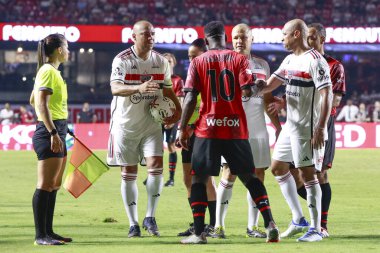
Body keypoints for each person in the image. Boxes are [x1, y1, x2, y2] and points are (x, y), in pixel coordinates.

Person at [178, 21, 279, 244]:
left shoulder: (198, 61)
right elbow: (246, 90)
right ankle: (270, 223)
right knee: (250, 177)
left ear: (206, 41)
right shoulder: (240, 59)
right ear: (225, 39)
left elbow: (189, 97)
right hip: (235, 127)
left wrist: (182, 128)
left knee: (199, 178)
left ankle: (198, 233)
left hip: (208, 128)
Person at [258, 19, 333, 242]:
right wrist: (252, 85)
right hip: (291, 125)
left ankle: (316, 229)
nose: (282, 39)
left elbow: (326, 94)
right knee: (278, 167)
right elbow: (270, 85)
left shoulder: (315, 61)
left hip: (308, 127)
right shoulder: (290, 59)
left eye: (285, 34)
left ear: (296, 34)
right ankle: (299, 219)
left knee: (308, 175)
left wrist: (320, 127)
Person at [107, 20, 181, 238]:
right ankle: (133, 223)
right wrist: (138, 87)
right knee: (129, 172)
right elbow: (114, 88)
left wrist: (177, 112)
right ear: (133, 37)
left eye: (152, 35)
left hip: (151, 125)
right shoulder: (122, 60)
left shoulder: (160, 61)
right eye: (145, 34)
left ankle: (150, 216)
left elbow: (168, 91)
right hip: (126, 126)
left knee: (156, 165)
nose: (150, 38)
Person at [211, 23, 282, 239]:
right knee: (229, 173)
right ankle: (218, 226)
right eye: (235, 37)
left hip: (258, 128)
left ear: (251, 39)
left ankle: (253, 227)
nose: (239, 41)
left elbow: (267, 99)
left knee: (258, 175)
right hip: (232, 128)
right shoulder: (224, 62)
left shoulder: (262, 65)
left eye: (243, 37)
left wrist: (278, 126)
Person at [29, 33, 71, 245]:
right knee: (44, 184)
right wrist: (53, 132)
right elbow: (40, 104)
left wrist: (61, 128)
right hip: (50, 132)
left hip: (58, 128)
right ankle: (40, 236)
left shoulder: (51, 72)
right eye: (67, 47)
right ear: (59, 50)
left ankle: (49, 232)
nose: (69, 51)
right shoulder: (47, 70)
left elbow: (33, 99)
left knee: (54, 184)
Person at [177, 38, 218, 237]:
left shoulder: (210, 76)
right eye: (189, 57)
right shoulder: (193, 74)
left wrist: (192, 126)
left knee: (204, 180)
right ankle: (197, 222)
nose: (192, 60)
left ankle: (212, 224)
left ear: (205, 53)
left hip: (203, 132)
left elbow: (208, 106)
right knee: (188, 180)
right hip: (187, 133)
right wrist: (180, 125)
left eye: (195, 56)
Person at [162, 53, 184, 187]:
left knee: (171, 145)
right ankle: (154, 176)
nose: (167, 64)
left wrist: (172, 119)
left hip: (172, 119)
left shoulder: (177, 81)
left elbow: (180, 103)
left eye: (169, 61)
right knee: (154, 148)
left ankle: (171, 179)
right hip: (158, 119)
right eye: (165, 62)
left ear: (173, 63)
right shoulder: (157, 81)